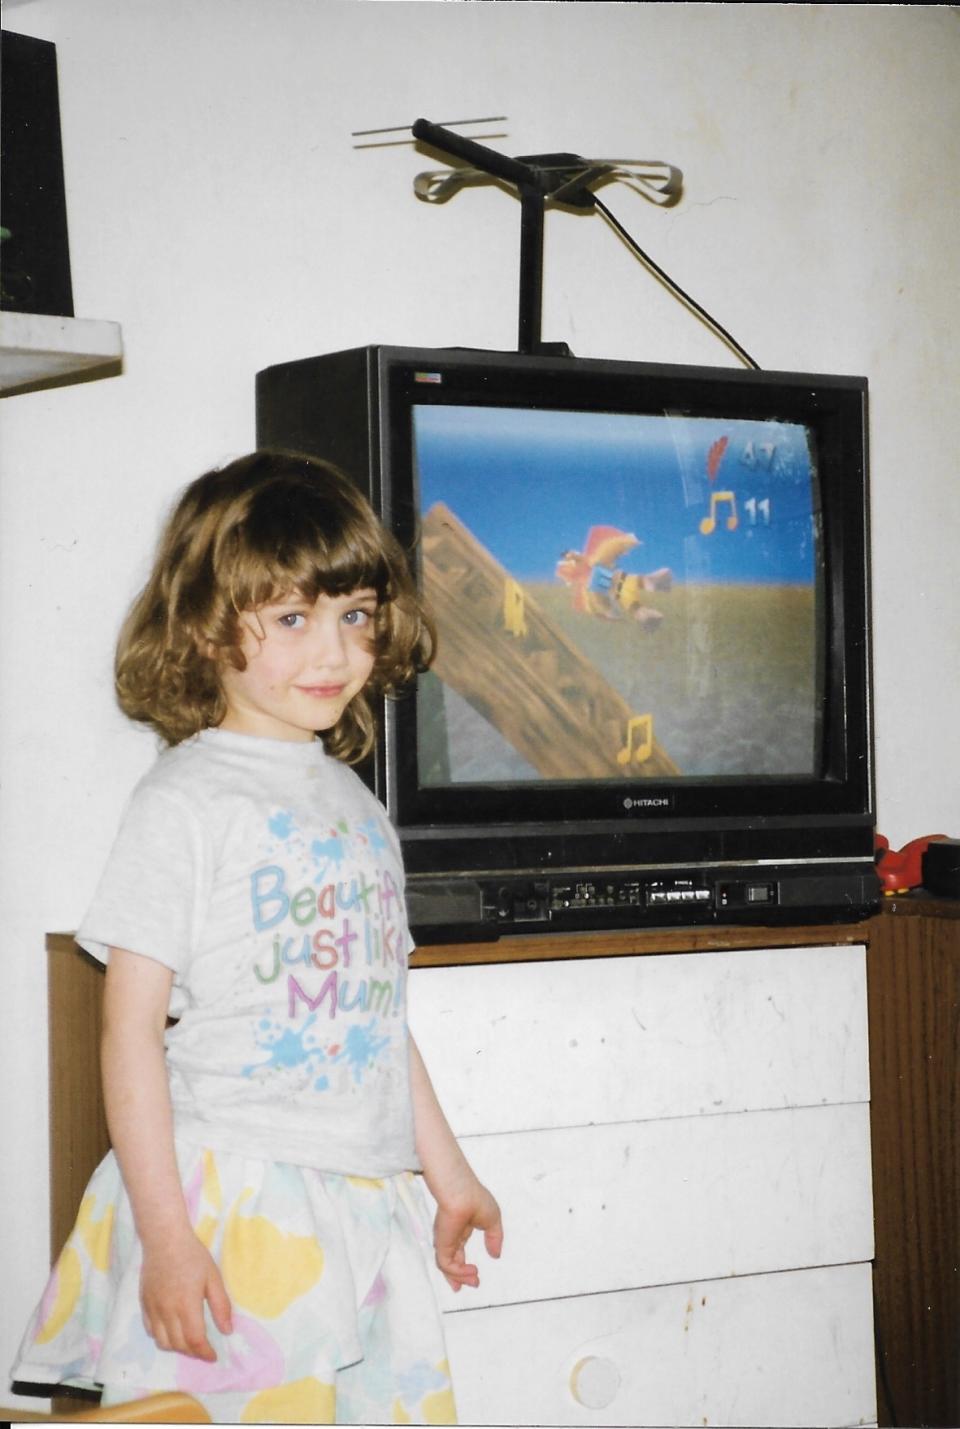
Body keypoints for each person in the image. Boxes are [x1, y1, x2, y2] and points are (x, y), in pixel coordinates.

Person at [11, 451, 503, 1425]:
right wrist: (165, 1235)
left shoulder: (358, 807)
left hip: (360, 1202)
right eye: (291, 619)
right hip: (232, 1199)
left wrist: (450, 1176)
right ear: (205, 627)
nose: (333, 652)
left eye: (354, 615)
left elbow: (374, 1019)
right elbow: (129, 1034)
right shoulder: (188, 798)